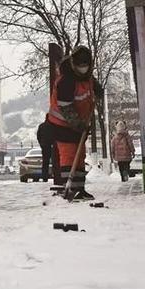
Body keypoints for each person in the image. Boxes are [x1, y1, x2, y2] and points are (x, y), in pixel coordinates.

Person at [46, 45, 103, 200]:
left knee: (80, 156)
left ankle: (80, 188)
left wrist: (98, 91)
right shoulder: (66, 80)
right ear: (73, 64)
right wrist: (79, 124)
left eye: (86, 65)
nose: (83, 68)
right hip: (62, 124)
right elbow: (66, 107)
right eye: (80, 65)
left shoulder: (88, 77)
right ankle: (69, 187)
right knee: (69, 155)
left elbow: (92, 87)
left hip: (79, 124)